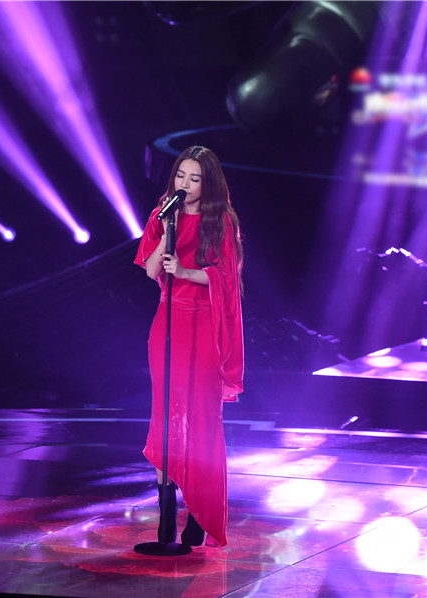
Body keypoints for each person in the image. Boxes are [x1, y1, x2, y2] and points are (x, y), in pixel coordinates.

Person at [134, 145, 244, 547]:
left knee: (199, 419)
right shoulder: (163, 214)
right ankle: (165, 520)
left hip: (204, 324)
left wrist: (186, 271)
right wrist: (166, 230)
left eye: (195, 178)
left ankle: (198, 515)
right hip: (168, 324)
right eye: (181, 175)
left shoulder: (220, 220)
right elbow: (151, 270)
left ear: (207, 183)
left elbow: (226, 280)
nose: (186, 184)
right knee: (165, 419)